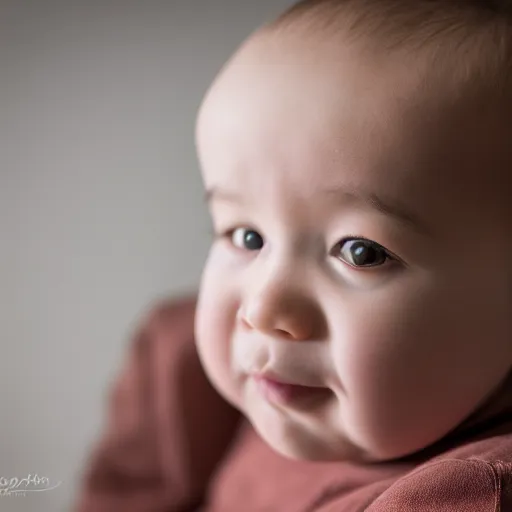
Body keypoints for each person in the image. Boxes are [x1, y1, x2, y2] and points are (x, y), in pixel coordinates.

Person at [75, 0, 512, 510]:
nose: (263, 310)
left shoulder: (463, 494)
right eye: (246, 237)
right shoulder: (200, 383)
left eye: (361, 252)